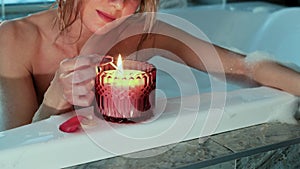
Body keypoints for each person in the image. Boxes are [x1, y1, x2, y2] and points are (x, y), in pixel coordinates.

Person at [0, 0, 299, 132]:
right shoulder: (14, 40)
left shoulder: (139, 33)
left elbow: (246, 67)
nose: (118, 4)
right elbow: (14, 152)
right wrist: (53, 100)